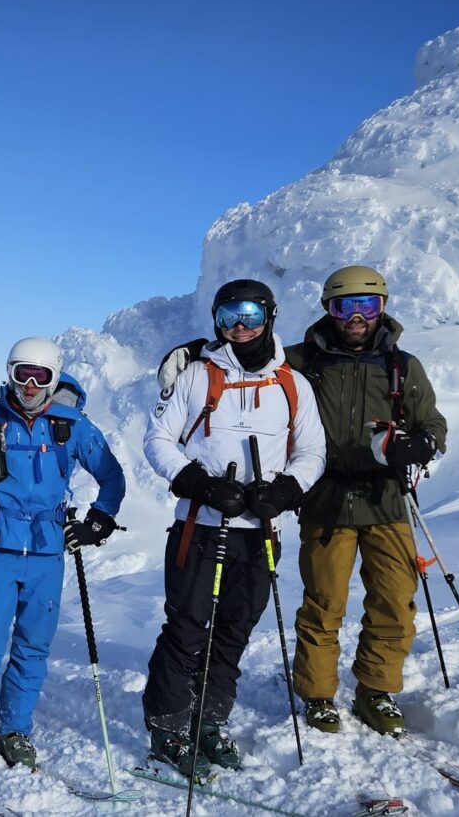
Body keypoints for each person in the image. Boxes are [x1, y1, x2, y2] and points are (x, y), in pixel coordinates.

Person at [142, 279, 324, 779]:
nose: (239, 327)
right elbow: (158, 439)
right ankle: (167, 726)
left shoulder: (292, 384)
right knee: (186, 627)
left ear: (270, 316)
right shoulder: (196, 375)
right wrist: (196, 482)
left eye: (249, 315)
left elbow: (313, 450)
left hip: (261, 530)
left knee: (234, 629)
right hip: (200, 525)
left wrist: (286, 490)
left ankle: (208, 720)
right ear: (216, 321)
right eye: (228, 317)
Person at [0, 336, 125, 780]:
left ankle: (13, 731)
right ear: (10, 374)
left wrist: (98, 521)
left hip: (48, 551)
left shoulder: (72, 426)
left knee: (33, 647)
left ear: (53, 378)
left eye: (40, 376)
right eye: (23, 374)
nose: (30, 385)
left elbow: (112, 476)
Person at [283, 265, 447, 736]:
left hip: (386, 498)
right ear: (328, 310)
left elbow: (433, 425)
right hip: (326, 497)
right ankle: (318, 695)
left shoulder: (402, 366)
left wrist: (419, 444)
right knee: (324, 602)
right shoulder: (299, 362)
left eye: (367, 305)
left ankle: (376, 690)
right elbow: (245, 361)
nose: (356, 316)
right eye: (344, 306)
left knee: (395, 600)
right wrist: (197, 351)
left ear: (382, 307)